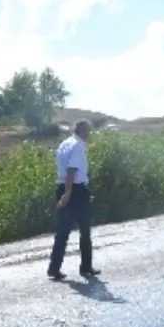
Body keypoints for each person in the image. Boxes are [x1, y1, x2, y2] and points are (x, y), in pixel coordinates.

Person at [47, 119, 99, 280]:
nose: (89, 135)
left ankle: (53, 268)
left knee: (62, 232)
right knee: (85, 230)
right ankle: (86, 267)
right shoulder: (77, 146)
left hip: (63, 187)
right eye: (88, 131)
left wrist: (64, 192)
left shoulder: (64, 144)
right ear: (83, 130)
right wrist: (68, 194)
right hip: (75, 190)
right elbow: (71, 170)